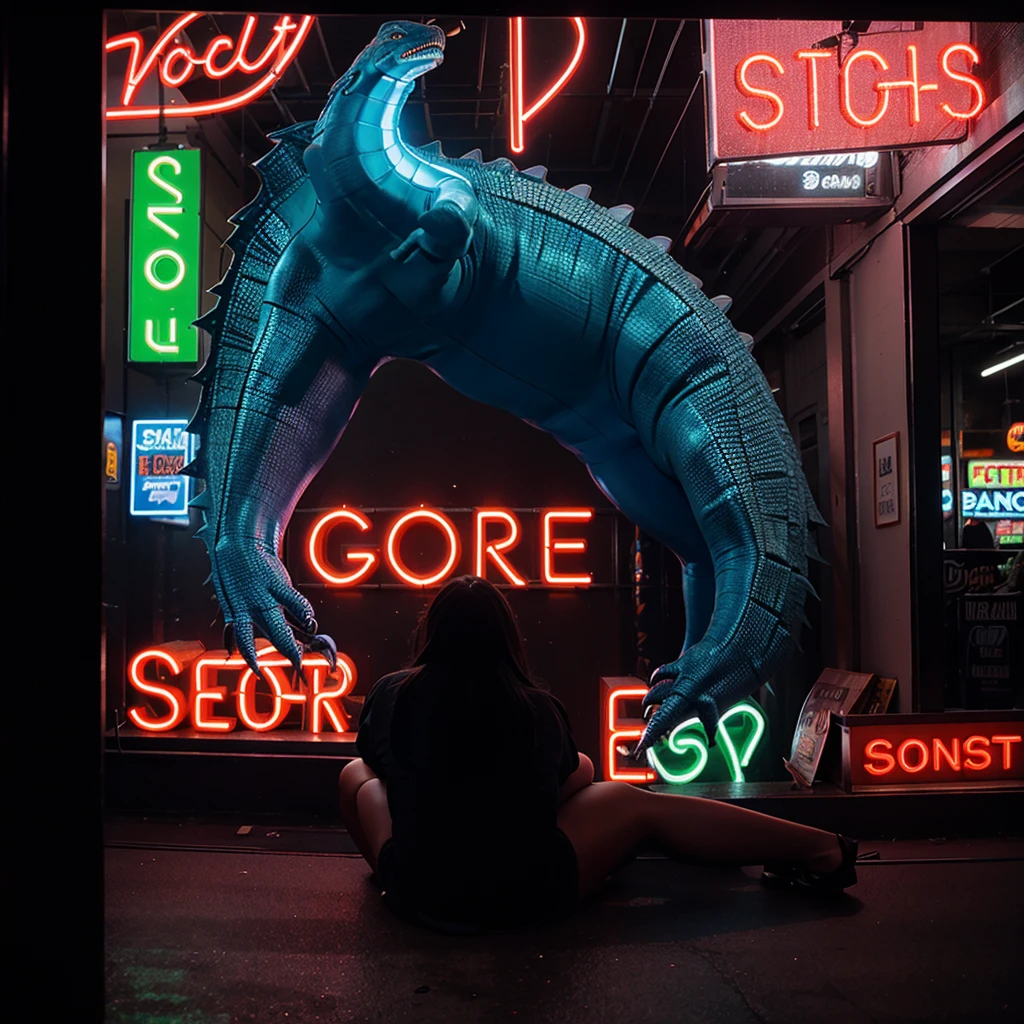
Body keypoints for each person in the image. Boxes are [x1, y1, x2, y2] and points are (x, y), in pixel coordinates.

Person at [338, 575, 858, 933]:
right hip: (530, 892)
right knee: (632, 800)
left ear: (432, 631)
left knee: (356, 774)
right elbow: (566, 783)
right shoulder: (535, 708)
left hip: (419, 891)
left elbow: (381, 767)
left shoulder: (391, 694)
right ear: (507, 638)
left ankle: (396, 876)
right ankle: (820, 848)